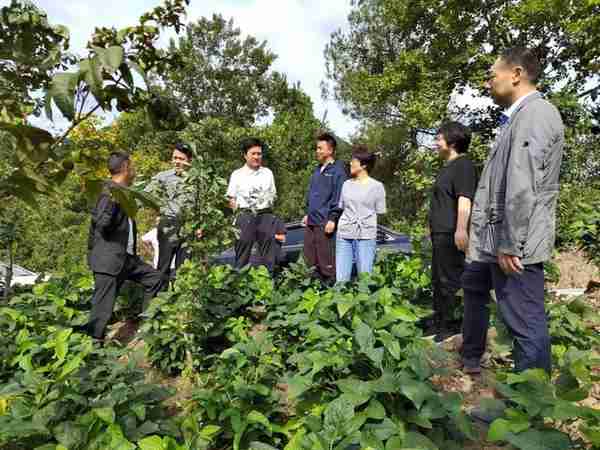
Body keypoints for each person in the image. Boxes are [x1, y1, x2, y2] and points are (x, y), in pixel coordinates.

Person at [462, 47, 564, 376]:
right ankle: (525, 406)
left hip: (517, 246)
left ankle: (530, 412)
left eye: (492, 75)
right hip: (510, 241)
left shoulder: (535, 114)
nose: (488, 83)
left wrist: (510, 243)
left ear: (516, 74)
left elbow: (523, 184)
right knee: (518, 318)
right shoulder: (522, 116)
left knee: (525, 323)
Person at [86, 152, 165, 340]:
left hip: (127, 258)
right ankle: (92, 352)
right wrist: (115, 203)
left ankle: (147, 326)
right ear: (126, 167)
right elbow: (102, 224)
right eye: (132, 167)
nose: (134, 171)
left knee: (156, 279)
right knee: (101, 310)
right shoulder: (109, 192)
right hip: (109, 260)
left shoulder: (122, 192)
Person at [428, 122, 477, 342]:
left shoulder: (464, 165)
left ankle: (452, 324)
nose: (436, 143)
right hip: (439, 232)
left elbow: (464, 198)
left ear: (453, 141)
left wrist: (461, 230)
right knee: (438, 279)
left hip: (451, 232)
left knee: (450, 280)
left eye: (439, 138)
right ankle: (439, 320)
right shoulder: (448, 166)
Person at [145, 143, 201, 281]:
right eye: (174, 158)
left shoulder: (196, 179)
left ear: (189, 161)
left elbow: (199, 204)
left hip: (189, 226)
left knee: (185, 267)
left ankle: (181, 298)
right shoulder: (163, 177)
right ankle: (159, 297)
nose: (177, 161)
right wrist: (158, 213)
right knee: (163, 265)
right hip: (168, 224)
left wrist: (200, 226)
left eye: (181, 159)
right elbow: (146, 195)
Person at [335, 146, 386, 282]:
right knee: (341, 280)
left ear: (363, 165)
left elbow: (380, 211)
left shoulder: (377, 186)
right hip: (344, 234)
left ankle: (364, 303)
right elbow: (342, 207)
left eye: (354, 160)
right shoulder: (346, 184)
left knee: (365, 279)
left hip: (366, 235)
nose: (350, 163)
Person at [303, 132, 348, 285]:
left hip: (325, 223)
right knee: (310, 262)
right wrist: (307, 213)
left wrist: (332, 218)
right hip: (311, 222)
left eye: (320, 148)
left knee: (326, 263)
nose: (317, 151)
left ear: (330, 150)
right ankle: (314, 295)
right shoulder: (317, 170)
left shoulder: (338, 171)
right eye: (317, 148)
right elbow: (311, 195)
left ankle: (331, 295)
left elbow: (339, 197)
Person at [227, 138, 277, 269]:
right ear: (245, 155)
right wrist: (238, 216)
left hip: (265, 215)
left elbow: (273, 195)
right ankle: (240, 283)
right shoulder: (237, 174)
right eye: (253, 153)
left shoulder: (268, 173)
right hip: (245, 215)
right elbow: (231, 198)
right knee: (243, 253)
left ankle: (267, 284)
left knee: (268, 255)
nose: (256, 157)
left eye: (259, 154)